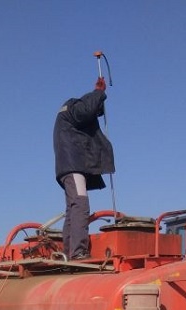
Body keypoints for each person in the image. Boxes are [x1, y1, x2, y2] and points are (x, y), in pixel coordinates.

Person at [53, 77, 115, 261]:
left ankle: (69, 251)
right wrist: (99, 92)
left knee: (73, 208)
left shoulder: (65, 115)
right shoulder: (73, 107)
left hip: (67, 168)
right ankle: (78, 251)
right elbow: (86, 111)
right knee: (80, 204)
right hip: (73, 167)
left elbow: (88, 111)